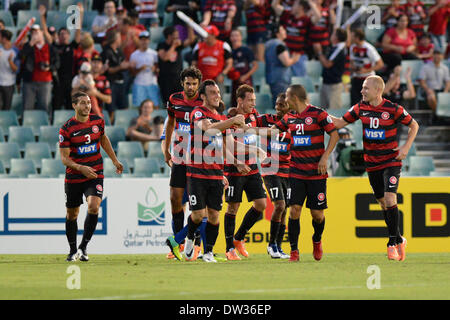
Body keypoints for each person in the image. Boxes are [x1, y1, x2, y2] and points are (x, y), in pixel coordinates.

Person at [330, 75, 419, 261]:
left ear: (377, 90)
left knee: (389, 197)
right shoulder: (360, 108)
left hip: (391, 161)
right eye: (362, 88)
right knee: (382, 203)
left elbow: (414, 125)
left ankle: (392, 243)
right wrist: (319, 114)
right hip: (371, 163)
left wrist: (405, 147)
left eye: (365, 88)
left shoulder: (393, 109)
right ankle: (400, 238)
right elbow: (339, 123)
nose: (362, 91)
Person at [272, 84, 339, 262]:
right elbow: (271, 131)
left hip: (316, 173)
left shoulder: (318, 114)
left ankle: (316, 240)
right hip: (296, 172)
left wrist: (324, 158)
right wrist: (246, 129)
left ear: (294, 97)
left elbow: (334, 135)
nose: (285, 100)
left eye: (287, 97)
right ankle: (294, 250)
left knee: (317, 215)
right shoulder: (289, 117)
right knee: (294, 210)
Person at [183, 79, 246, 263]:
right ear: (202, 96)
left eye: (218, 92)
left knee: (214, 215)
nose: (217, 95)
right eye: (213, 93)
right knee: (197, 214)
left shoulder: (221, 118)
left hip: (216, 173)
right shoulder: (198, 112)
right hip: (197, 171)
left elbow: (227, 146)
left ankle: (208, 252)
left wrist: (226, 170)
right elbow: (208, 129)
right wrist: (232, 121)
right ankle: (189, 238)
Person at [59, 91, 123, 262]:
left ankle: (83, 247)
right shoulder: (66, 129)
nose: (87, 106)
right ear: (74, 106)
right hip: (74, 176)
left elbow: (103, 139)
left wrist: (115, 160)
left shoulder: (98, 121)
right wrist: (81, 168)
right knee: (72, 214)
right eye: (82, 103)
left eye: (88, 102)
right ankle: (72, 250)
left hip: (95, 173)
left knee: (94, 206)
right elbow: (64, 158)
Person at [223, 84, 268, 260]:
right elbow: (228, 144)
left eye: (254, 101)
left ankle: (238, 238)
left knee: (261, 204)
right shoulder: (230, 118)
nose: (253, 104)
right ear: (239, 100)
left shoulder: (254, 115)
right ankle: (229, 249)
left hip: (252, 168)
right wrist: (254, 150)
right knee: (233, 207)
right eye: (250, 100)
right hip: (235, 168)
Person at [163, 67, 204, 257]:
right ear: (182, 83)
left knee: (199, 204)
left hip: (199, 157)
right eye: (187, 83)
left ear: (199, 84)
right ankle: (177, 245)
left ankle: (196, 244)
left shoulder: (204, 101)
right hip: (179, 155)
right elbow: (171, 123)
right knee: (175, 199)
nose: (190, 87)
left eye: (194, 83)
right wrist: (166, 149)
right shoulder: (174, 100)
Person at [254, 93, 291, 259]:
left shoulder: (295, 124)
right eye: (276, 104)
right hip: (270, 169)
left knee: (284, 210)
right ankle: (271, 245)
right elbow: (249, 125)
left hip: (288, 171)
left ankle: (278, 246)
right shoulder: (266, 120)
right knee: (280, 205)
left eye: (281, 105)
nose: (277, 108)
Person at [19, 26, 60, 112]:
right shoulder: (28, 46)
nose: (35, 34)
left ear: (42, 33)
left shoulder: (51, 48)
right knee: (27, 107)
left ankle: (45, 124)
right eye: (33, 32)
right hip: (29, 81)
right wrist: (31, 43)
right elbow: (21, 56)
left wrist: (49, 67)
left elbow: (57, 63)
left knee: (44, 106)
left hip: (45, 81)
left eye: (37, 32)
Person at [157, 26, 196, 106]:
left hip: (178, 78)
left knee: (180, 102)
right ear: (169, 36)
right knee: (168, 103)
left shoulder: (179, 45)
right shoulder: (161, 45)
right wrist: (173, 46)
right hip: (165, 79)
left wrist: (189, 25)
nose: (177, 38)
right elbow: (165, 57)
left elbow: (191, 40)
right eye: (175, 36)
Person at [264, 24, 300, 107]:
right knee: (282, 104)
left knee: (277, 102)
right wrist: (295, 58)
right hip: (280, 79)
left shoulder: (269, 44)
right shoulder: (279, 45)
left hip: (272, 77)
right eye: (282, 30)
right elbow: (286, 62)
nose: (285, 32)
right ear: (277, 33)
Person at [192, 25, 233, 94]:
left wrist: (222, 74)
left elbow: (229, 63)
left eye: (207, 33)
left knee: (217, 102)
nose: (204, 35)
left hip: (217, 80)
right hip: (202, 81)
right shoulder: (198, 46)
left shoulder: (223, 46)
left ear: (214, 35)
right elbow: (193, 64)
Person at [101, 29, 130, 123]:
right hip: (111, 84)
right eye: (119, 37)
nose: (121, 39)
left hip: (121, 83)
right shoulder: (106, 52)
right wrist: (120, 67)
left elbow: (123, 62)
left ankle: (123, 125)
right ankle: (111, 127)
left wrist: (126, 65)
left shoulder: (119, 51)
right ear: (115, 39)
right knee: (111, 109)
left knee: (124, 107)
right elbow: (108, 70)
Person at [315, 27, 348, 110]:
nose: (331, 35)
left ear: (336, 37)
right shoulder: (335, 47)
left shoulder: (339, 49)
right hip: (326, 83)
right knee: (323, 112)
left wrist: (319, 52)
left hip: (333, 86)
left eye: (333, 34)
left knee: (334, 113)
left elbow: (327, 64)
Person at [350, 28, 384, 106]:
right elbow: (352, 62)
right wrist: (353, 68)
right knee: (354, 104)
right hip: (356, 78)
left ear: (357, 37)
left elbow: (380, 64)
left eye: (352, 36)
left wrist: (366, 70)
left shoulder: (369, 48)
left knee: (367, 104)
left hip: (367, 80)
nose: (350, 38)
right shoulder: (353, 47)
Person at [129, 30, 160, 108]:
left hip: (152, 83)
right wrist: (140, 69)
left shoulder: (154, 54)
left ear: (149, 41)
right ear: (139, 41)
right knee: (139, 107)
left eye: (146, 39)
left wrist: (155, 69)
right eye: (142, 40)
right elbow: (132, 73)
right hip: (139, 84)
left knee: (155, 105)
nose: (144, 42)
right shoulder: (134, 55)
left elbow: (158, 69)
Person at [229, 28, 258, 108]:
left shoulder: (246, 50)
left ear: (241, 37)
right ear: (230, 38)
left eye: (237, 35)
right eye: (233, 36)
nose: (235, 38)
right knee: (235, 106)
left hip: (246, 82)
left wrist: (245, 76)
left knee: (248, 105)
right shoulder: (230, 52)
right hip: (235, 83)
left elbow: (255, 65)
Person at [0, 29, 18, 110]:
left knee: (6, 107)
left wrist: (10, 61)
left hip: (9, 84)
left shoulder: (15, 51)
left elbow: (16, 69)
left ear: (4, 39)